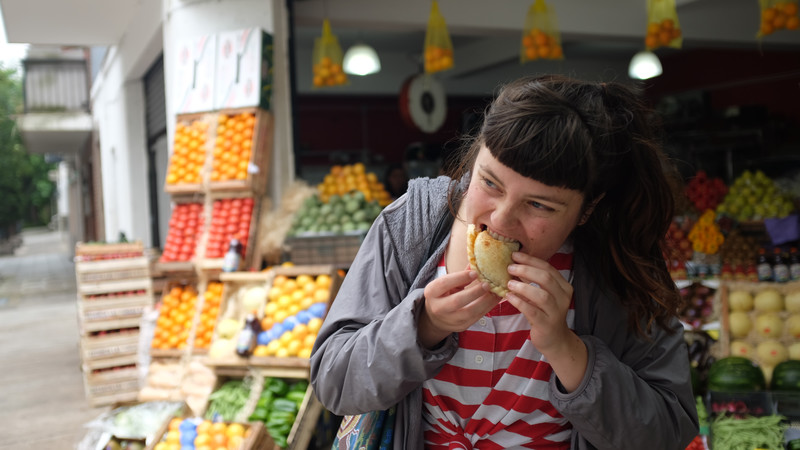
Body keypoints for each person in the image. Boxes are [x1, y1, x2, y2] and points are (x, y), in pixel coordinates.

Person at [310, 74, 698, 449]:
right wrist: (424, 325)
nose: (500, 219)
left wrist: (565, 349)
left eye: (539, 205)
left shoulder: (618, 258)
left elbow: (668, 430)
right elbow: (334, 382)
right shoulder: (412, 226)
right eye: (490, 183)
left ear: (587, 209)